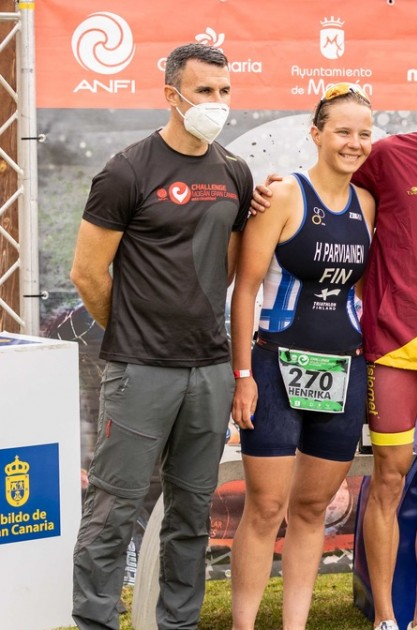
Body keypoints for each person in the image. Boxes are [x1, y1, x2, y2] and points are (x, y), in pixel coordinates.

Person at [252, 52, 417, 630]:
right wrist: (273, 191)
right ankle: (386, 616)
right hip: (392, 346)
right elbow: (330, 194)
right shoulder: (386, 156)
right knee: (389, 476)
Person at [69, 43, 253, 630]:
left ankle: (179, 624)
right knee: (113, 509)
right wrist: (131, 333)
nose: (217, 103)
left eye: (224, 91)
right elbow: (86, 272)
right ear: (171, 94)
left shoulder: (233, 172)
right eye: (204, 91)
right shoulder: (127, 169)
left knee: (192, 514)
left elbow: (227, 268)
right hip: (140, 370)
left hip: (209, 369)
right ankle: (96, 621)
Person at [228, 83, 375, 630]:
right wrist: (242, 374)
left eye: (363, 133)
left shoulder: (367, 204)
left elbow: (360, 291)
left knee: (311, 510)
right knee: (265, 509)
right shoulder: (285, 193)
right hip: (273, 366)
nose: (353, 142)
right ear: (316, 134)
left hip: (343, 372)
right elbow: (244, 290)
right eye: (342, 131)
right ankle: (245, 624)